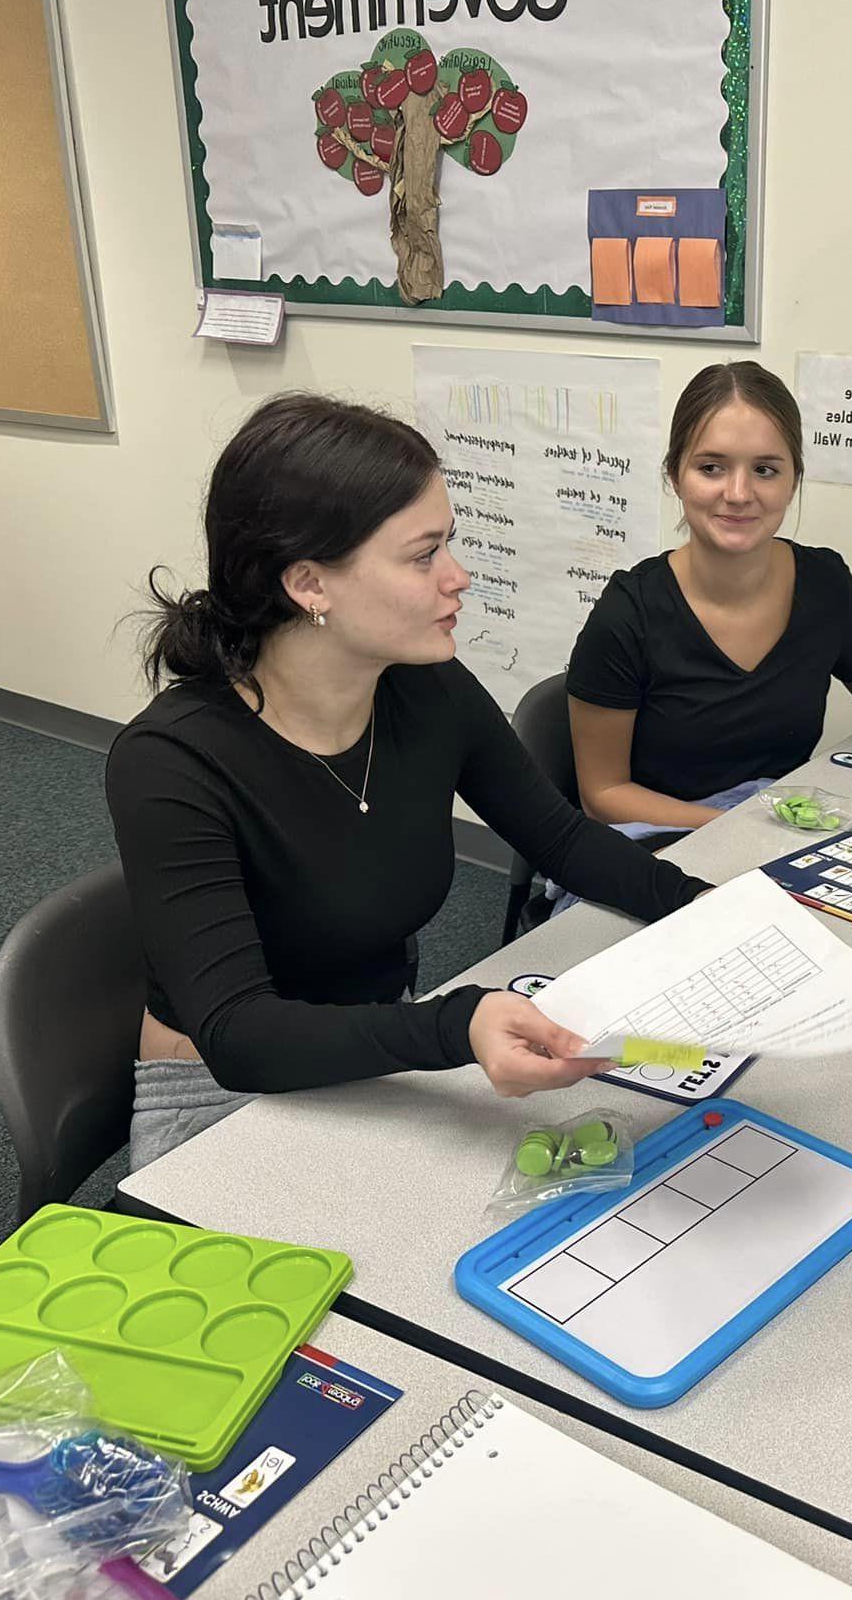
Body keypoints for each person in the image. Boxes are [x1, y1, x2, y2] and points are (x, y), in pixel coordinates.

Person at [107, 393, 708, 1166]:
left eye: (448, 547)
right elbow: (240, 1035)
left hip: (381, 1046)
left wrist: (708, 909)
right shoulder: (172, 762)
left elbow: (558, 838)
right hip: (222, 1096)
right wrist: (454, 1026)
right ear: (309, 584)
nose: (458, 578)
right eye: (424, 556)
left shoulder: (426, 687)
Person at [566, 361, 852, 834]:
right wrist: (743, 828)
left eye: (765, 470)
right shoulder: (627, 615)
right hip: (661, 843)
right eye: (711, 467)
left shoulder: (823, 581)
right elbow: (603, 796)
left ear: (793, 480)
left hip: (775, 827)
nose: (738, 493)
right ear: (675, 475)